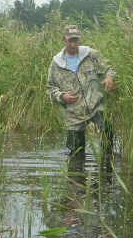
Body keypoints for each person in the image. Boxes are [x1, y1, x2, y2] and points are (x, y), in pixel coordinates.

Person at [46, 23, 117, 156]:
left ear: (80, 39)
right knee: (76, 156)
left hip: (96, 108)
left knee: (108, 147)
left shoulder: (91, 54)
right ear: (63, 39)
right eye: (70, 40)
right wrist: (62, 96)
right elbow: (50, 88)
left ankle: (106, 173)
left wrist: (110, 78)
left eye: (76, 40)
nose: (73, 44)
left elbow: (109, 69)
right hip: (74, 116)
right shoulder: (57, 63)